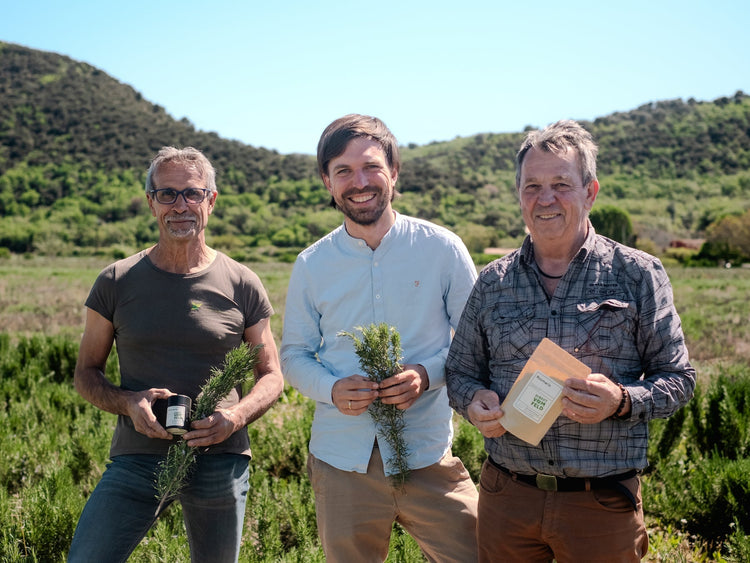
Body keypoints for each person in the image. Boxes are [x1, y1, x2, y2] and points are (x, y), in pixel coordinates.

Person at [445, 119, 696, 563]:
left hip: (599, 506)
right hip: (508, 499)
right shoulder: (493, 282)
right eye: (532, 186)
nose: (545, 198)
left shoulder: (638, 274)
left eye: (561, 183)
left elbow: (679, 380)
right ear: (519, 194)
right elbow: (460, 372)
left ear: (590, 191)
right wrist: (473, 401)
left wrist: (620, 400)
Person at [68, 147, 284, 562]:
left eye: (192, 193)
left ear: (211, 201)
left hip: (221, 457)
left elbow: (271, 374)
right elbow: (86, 373)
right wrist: (130, 402)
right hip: (137, 458)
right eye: (167, 194)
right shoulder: (115, 281)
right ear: (151, 202)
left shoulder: (242, 282)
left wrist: (234, 417)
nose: (180, 205)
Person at [280, 114, 479, 562]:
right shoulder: (312, 264)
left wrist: (425, 376)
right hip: (341, 462)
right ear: (327, 182)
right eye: (343, 171)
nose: (359, 181)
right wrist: (331, 389)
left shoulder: (442, 248)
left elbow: (474, 343)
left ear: (394, 171)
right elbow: (293, 354)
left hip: (427, 455)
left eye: (371, 166)